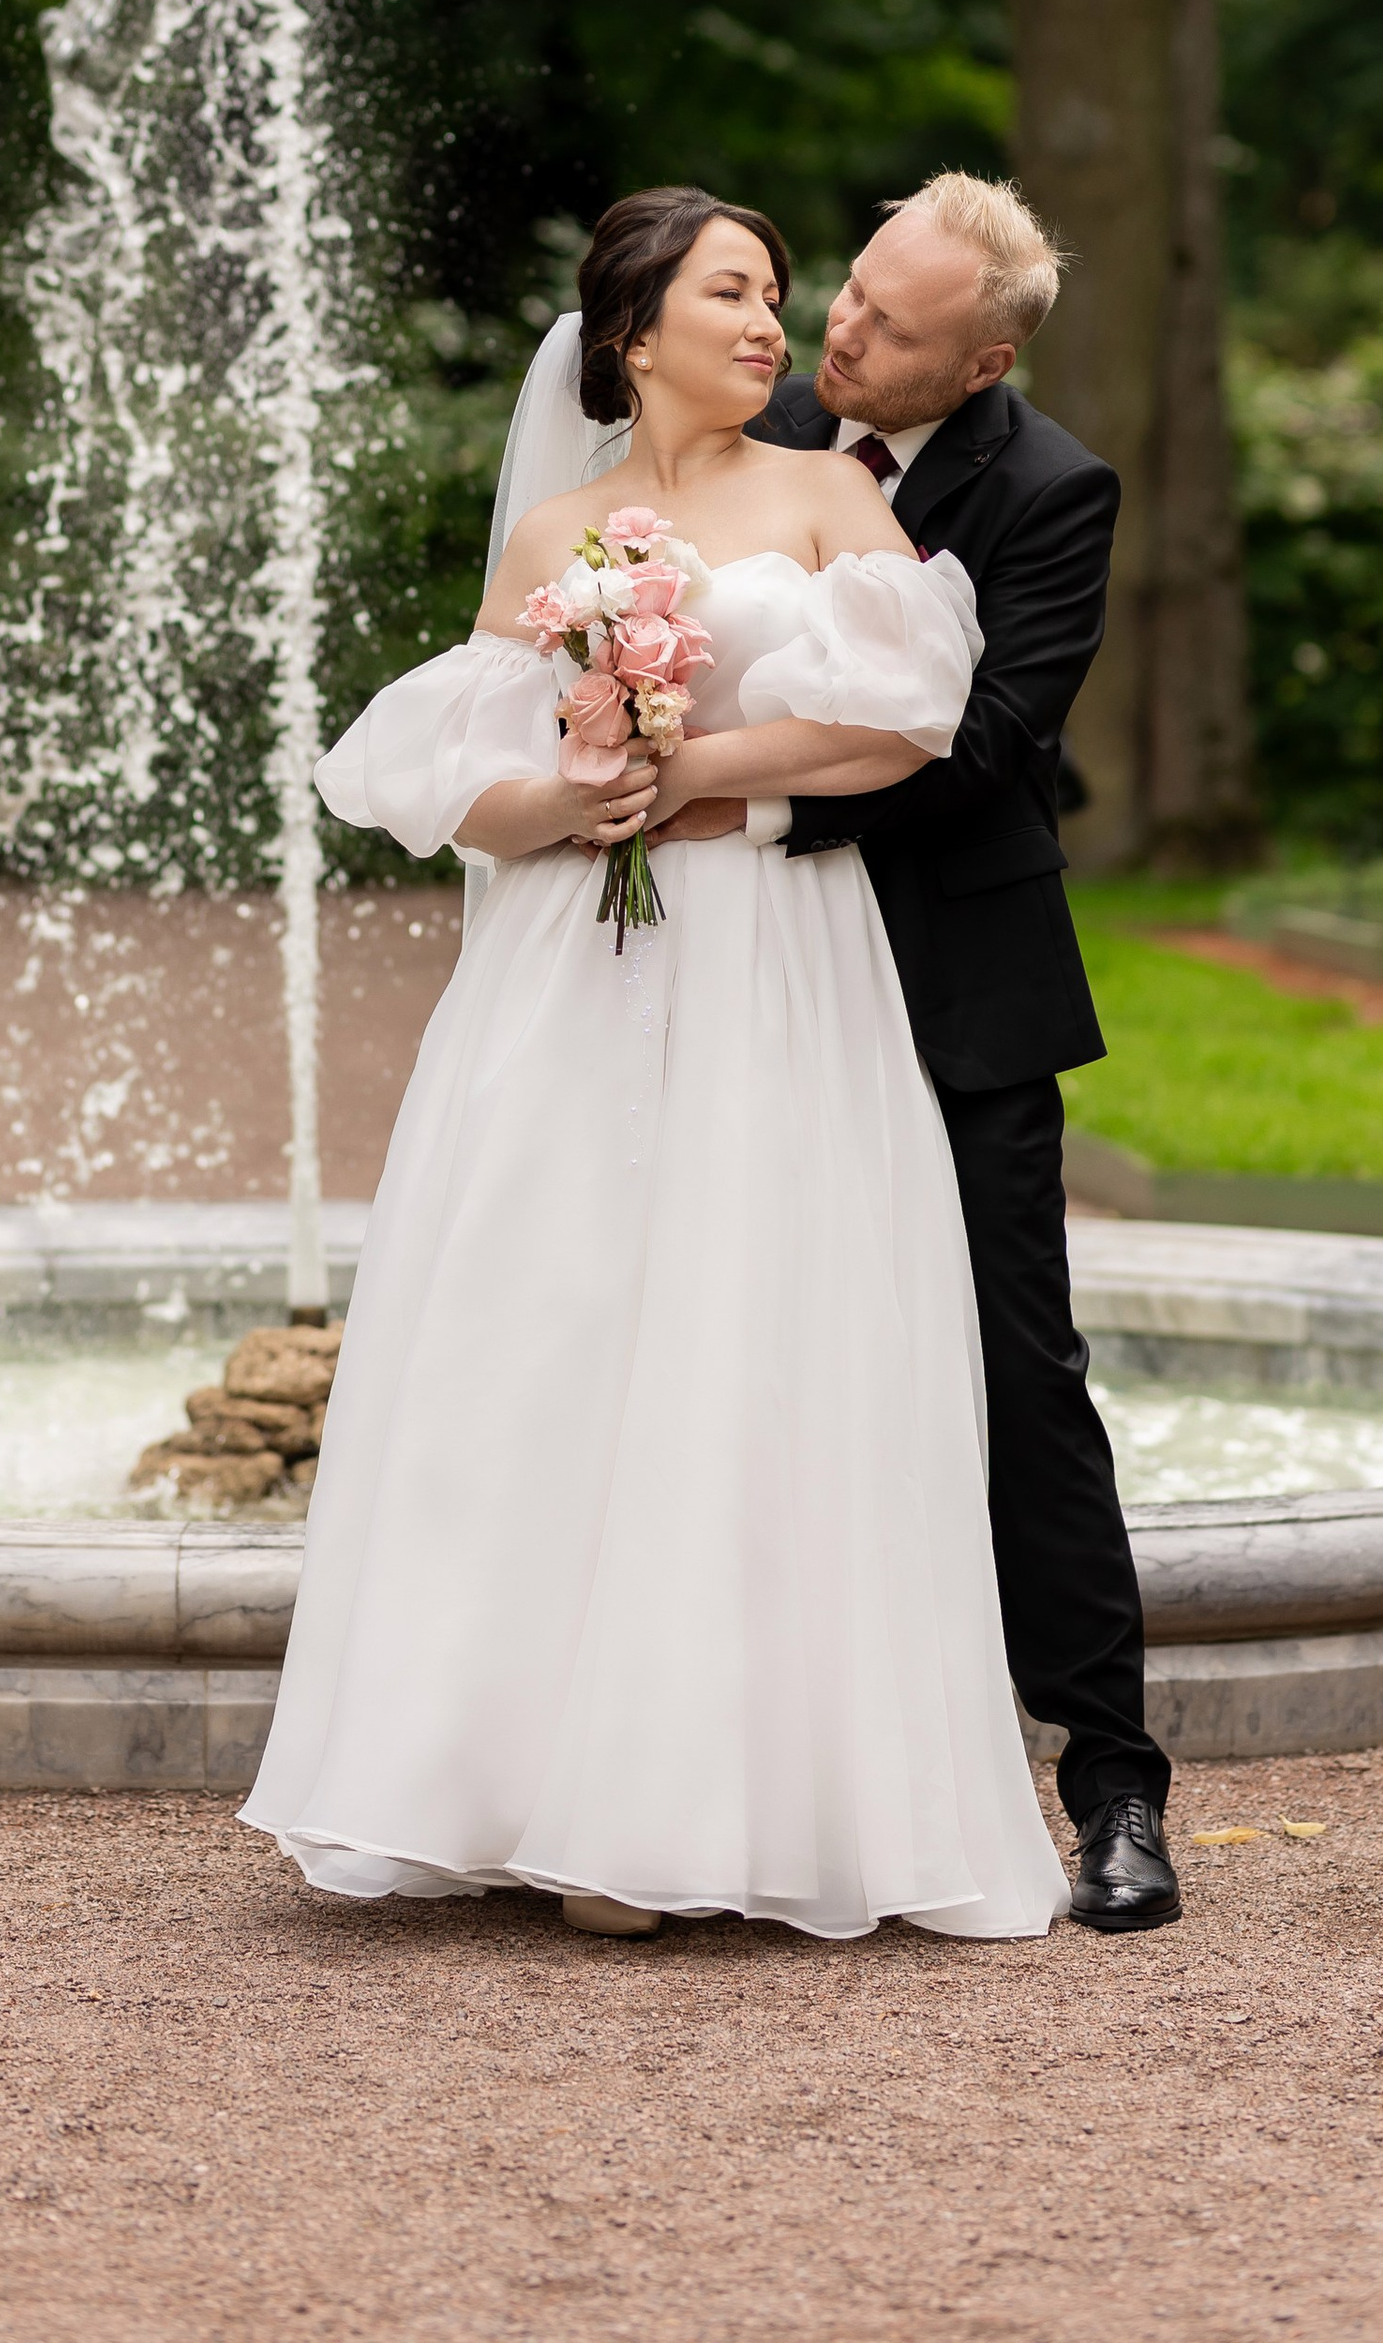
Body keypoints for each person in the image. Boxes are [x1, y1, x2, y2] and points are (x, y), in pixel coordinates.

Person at [238, 185, 1072, 1942]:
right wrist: (575, 795)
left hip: (774, 958)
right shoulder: (556, 536)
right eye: (737, 295)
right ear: (634, 337)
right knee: (554, 1329)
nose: (776, 327)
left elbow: (898, 724)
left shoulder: (834, 495)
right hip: (572, 974)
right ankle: (517, 1782)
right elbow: (453, 773)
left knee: (753, 1333)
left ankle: (706, 1799)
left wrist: (691, 771)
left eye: (780, 296)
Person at [728, 173, 1181, 1934]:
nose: (837, 334)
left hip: (956, 991)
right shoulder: (743, 426)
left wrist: (730, 799)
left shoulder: (1053, 491)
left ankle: (1115, 1785)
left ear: (981, 361)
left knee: (1018, 1372)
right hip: (748, 983)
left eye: (889, 329)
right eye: (845, 295)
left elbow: (990, 744)